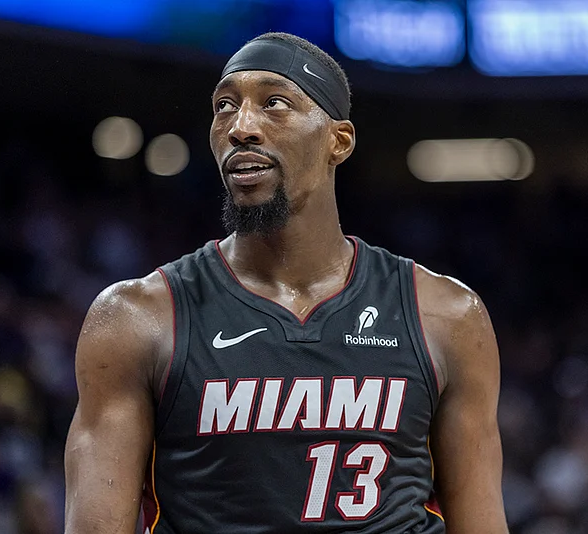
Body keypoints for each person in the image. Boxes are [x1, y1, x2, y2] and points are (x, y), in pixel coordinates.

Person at [64, 32, 509, 534]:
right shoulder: (135, 318)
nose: (241, 127)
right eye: (224, 107)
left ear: (338, 141)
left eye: (274, 103)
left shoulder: (447, 315)